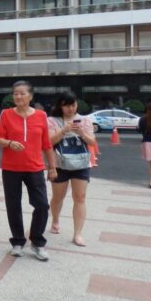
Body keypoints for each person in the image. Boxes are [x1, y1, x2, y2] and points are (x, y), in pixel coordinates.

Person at [0, 80, 58, 261]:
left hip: (34, 167)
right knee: (13, 205)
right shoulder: (6, 114)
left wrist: (52, 167)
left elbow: (46, 144)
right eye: (15, 93)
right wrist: (9, 143)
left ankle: (37, 242)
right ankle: (17, 242)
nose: (18, 96)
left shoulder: (41, 116)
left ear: (30, 96)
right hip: (11, 168)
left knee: (42, 205)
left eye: (22, 93)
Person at [47, 91, 96, 247]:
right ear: (60, 106)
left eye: (73, 105)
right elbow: (49, 142)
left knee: (80, 197)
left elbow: (92, 142)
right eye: (67, 105)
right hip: (59, 164)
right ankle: (55, 220)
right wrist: (64, 130)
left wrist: (81, 132)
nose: (71, 109)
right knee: (58, 197)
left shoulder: (85, 120)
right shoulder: (52, 121)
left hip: (81, 163)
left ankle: (78, 234)